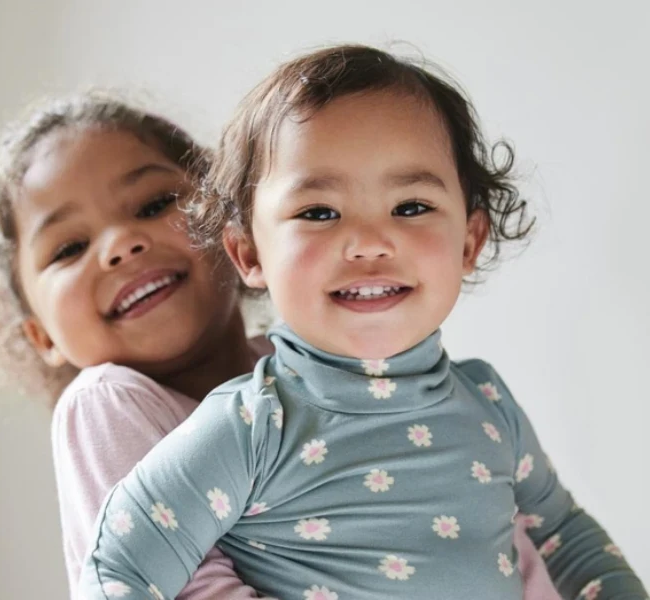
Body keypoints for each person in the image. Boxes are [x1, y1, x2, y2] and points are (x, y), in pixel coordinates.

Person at [78, 47, 646, 600]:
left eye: (411, 206)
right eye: (319, 212)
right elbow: (117, 570)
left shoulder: (490, 404)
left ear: (469, 241)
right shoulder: (252, 427)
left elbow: (566, 536)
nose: (371, 242)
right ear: (250, 255)